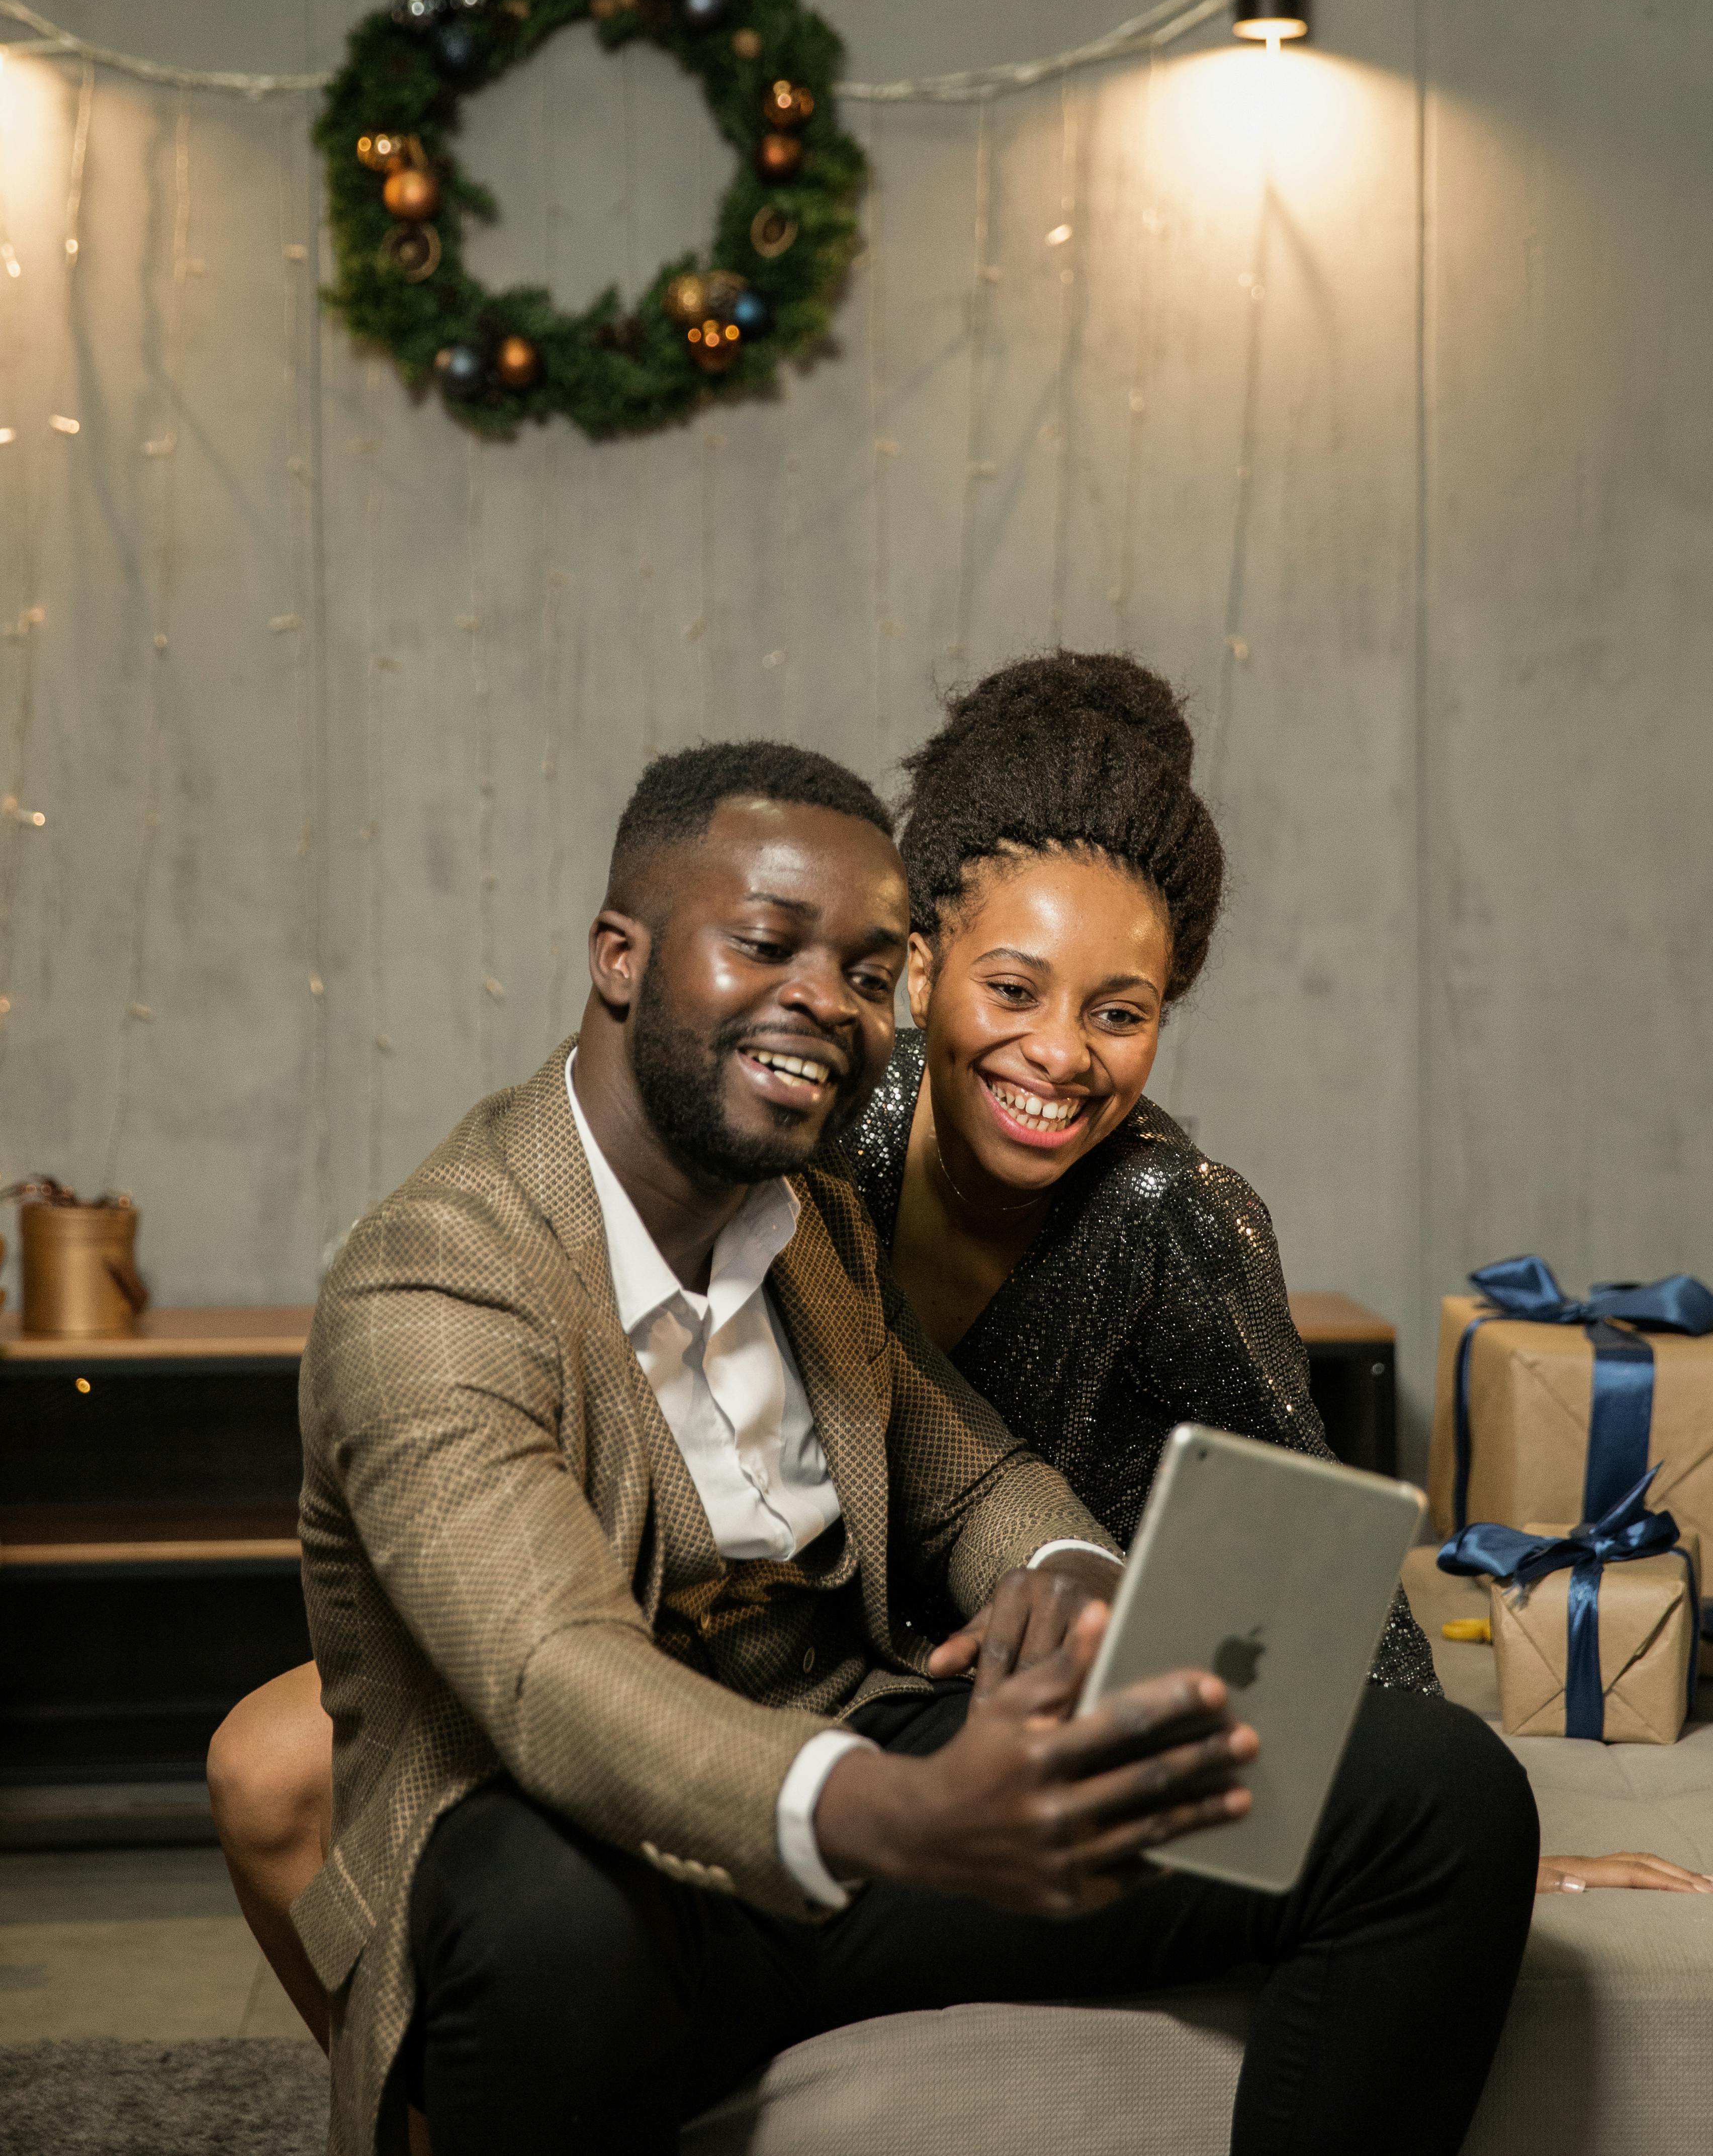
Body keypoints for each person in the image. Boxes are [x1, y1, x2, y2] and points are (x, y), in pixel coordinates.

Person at [238, 737, 1541, 2156]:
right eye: (766, 943)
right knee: (540, 1915)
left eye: (866, 968)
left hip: (854, 1774)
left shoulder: (811, 1220)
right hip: (605, 1847)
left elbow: (971, 1468)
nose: (824, 999)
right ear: (621, 954)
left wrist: (1066, 1567)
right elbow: (557, 1673)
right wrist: (897, 1812)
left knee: (1439, 1795)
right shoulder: (431, 1279)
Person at [841, 649, 1713, 1894]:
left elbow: (1320, 1556)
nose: (1059, 1053)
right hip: (828, 1705)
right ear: (922, 967)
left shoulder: (1170, 1214)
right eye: (1014, 988)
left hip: (1042, 1710)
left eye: (1119, 1011)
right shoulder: (816, 1139)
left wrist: (1449, 1822)